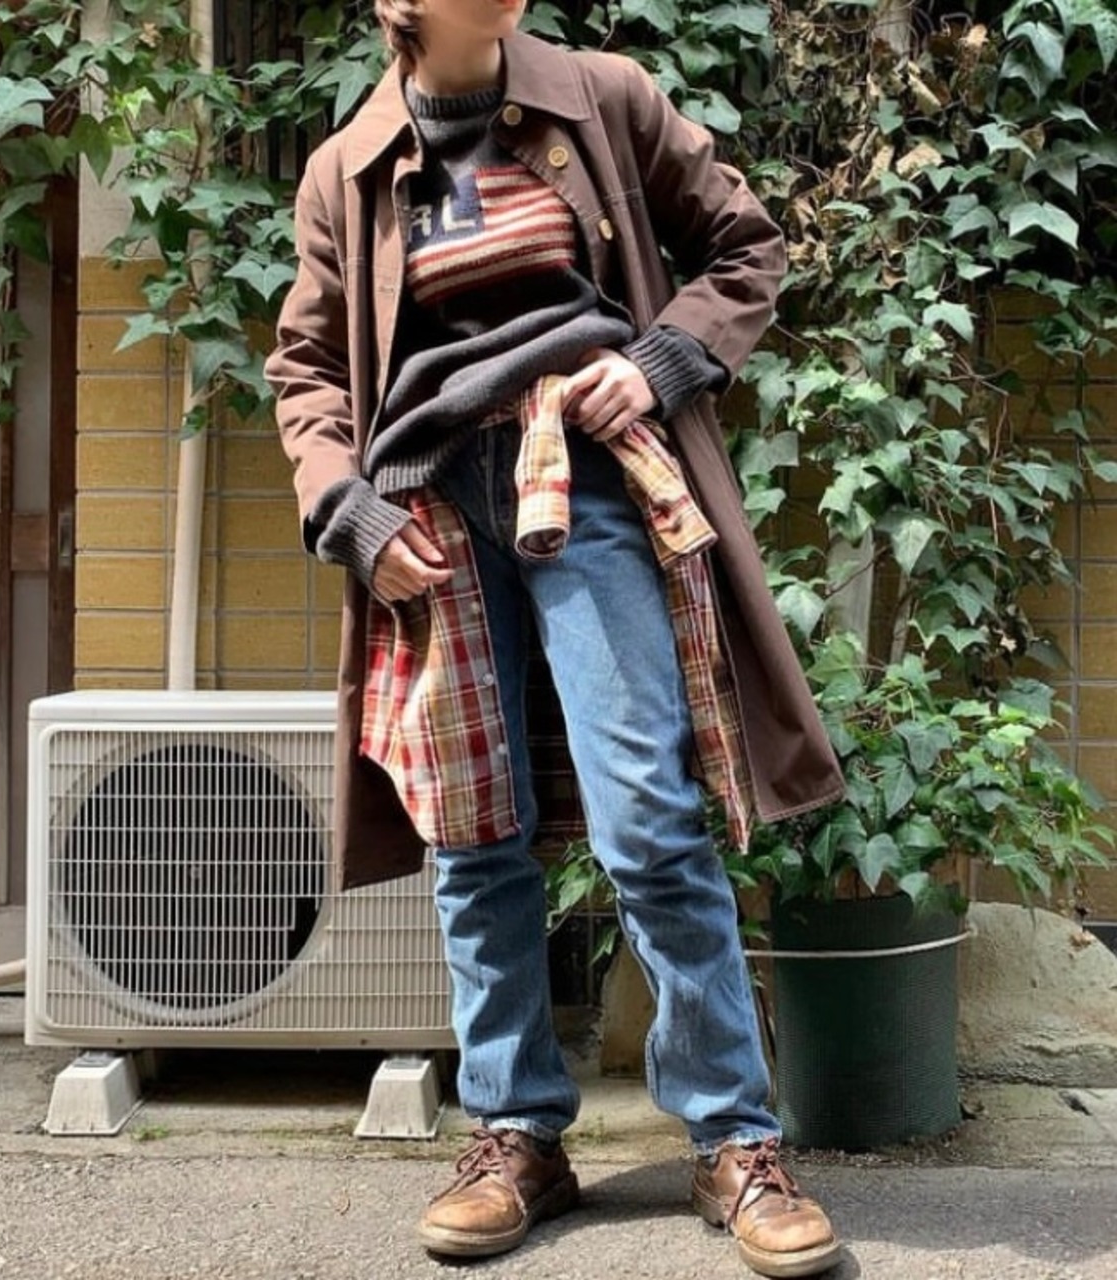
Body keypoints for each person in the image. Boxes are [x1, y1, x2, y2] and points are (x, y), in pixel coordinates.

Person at [264, 2, 847, 1276]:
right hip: (426, 505)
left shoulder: (600, 97)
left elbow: (743, 243)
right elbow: (303, 369)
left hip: (581, 475)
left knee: (647, 815)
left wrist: (661, 360)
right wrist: (349, 513)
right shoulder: (347, 166)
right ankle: (516, 1130)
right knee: (473, 831)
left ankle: (733, 1138)